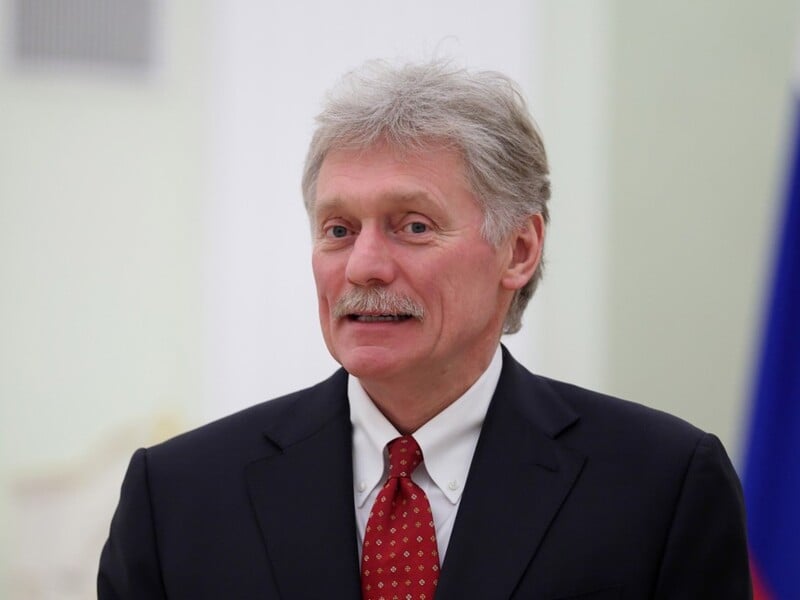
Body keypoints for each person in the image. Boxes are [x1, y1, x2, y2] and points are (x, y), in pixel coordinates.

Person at [98, 60, 751, 599]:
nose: (364, 266)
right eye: (338, 229)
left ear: (519, 250)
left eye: (413, 226)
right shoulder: (177, 496)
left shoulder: (663, 486)